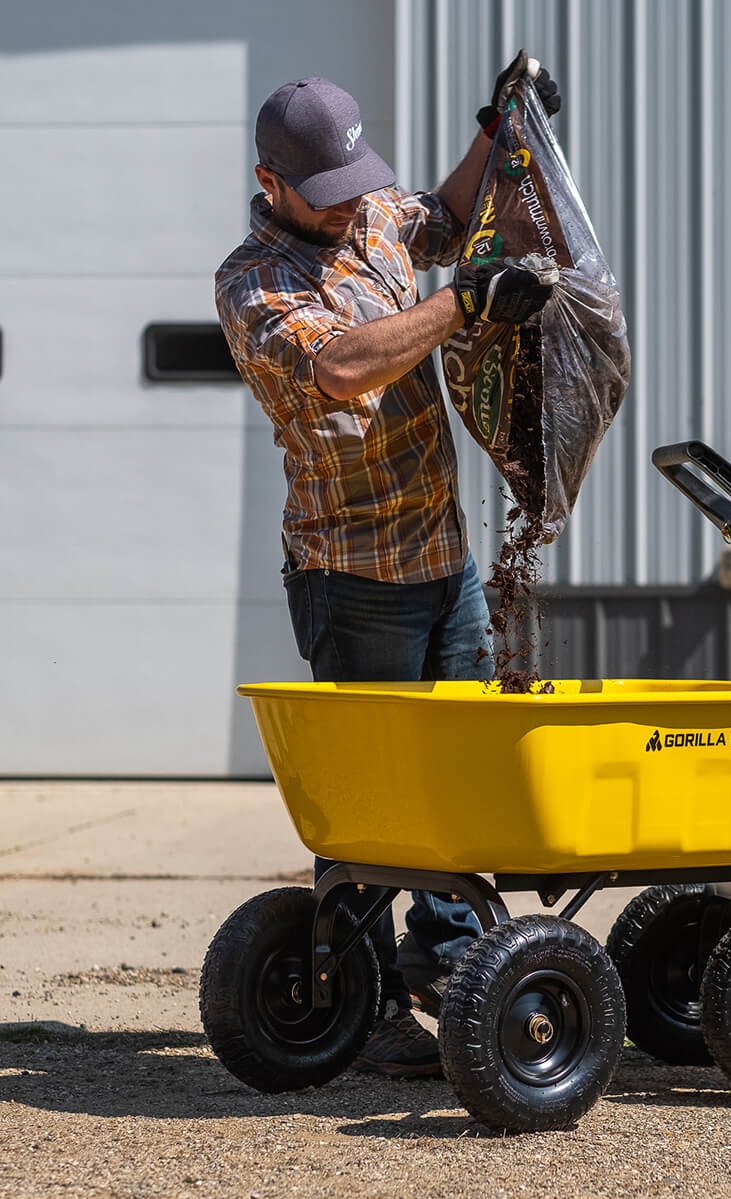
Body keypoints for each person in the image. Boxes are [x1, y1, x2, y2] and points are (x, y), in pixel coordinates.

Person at [215, 55, 562, 1078]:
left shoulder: (368, 212)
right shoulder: (255, 280)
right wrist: (464, 305)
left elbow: (446, 216)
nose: (349, 210)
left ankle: (451, 964)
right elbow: (344, 363)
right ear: (272, 180)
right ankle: (353, 997)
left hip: (441, 557)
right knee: (373, 802)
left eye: (353, 186)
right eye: (322, 196)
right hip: (351, 567)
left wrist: (501, 133)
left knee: (451, 781)